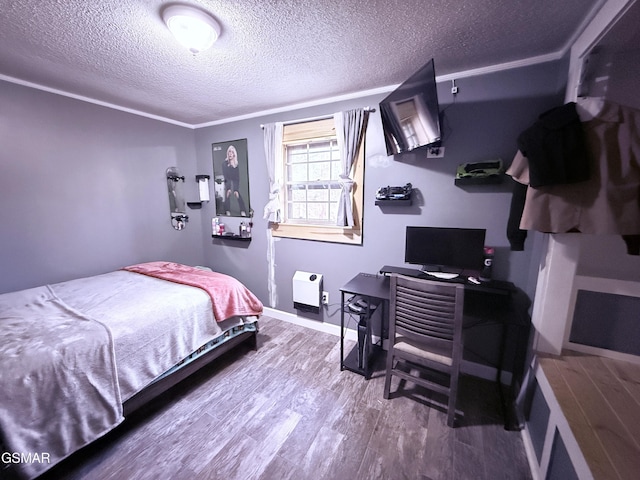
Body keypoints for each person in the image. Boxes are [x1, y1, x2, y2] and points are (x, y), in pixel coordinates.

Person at [222, 145, 247, 216]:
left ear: (234, 154)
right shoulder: (224, 164)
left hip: (235, 181)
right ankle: (227, 210)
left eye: (232, 152)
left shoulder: (236, 165)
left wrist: (235, 189)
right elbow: (226, 177)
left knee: (237, 193)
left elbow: (237, 178)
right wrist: (229, 188)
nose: (230, 153)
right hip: (227, 181)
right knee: (227, 193)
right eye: (229, 151)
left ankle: (243, 210)